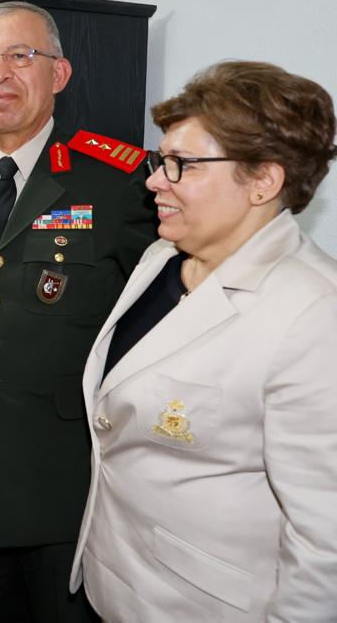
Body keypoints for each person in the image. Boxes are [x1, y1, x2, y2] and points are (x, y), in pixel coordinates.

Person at [0, 1, 158, 621]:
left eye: (20, 56)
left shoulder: (116, 181)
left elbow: (153, 324)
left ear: (59, 74)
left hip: (68, 474)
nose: (0, 75)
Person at [69, 60, 337, 621]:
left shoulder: (315, 314)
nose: (154, 181)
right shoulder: (161, 257)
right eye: (160, 160)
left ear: (263, 181)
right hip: (114, 579)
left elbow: (325, 546)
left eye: (182, 165)